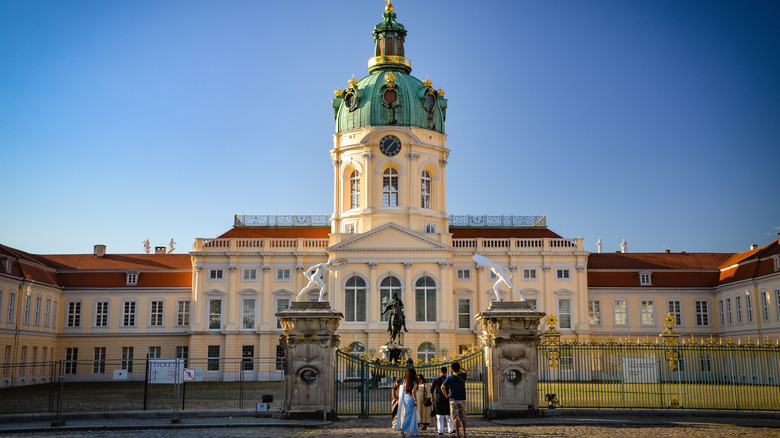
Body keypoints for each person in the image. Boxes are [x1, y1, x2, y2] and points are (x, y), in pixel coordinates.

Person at [441, 362, 469, 438]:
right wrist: (460, 368)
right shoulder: (463, 375)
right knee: (463, 417)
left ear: (452, 369)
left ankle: (457, 434)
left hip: (453, 399)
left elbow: (442, 387)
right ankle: (464, 434)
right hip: (462, 398)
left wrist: (446, 395)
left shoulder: (450, 378)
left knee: (455, 417)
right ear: (459, 369)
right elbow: (466, 371)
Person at [431, 366, 455, 435]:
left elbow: (432, 389)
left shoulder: (436, 379)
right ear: (446, 372)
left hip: (439, 398)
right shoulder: (448, 379)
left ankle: (440, 430)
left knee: (439, 415)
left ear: (440, 372)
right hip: (447, 398)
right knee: (449, 415)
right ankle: (450, 429)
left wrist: (432, 397)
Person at [395, 368, 420, 437]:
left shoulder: (405, 381)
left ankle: (413, 430)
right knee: (408, 416)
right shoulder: (414, 381)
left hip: (405, 398)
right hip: (411, 398)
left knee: (410, 414)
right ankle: (403, 431)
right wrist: (415, 400)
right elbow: (413, 391)